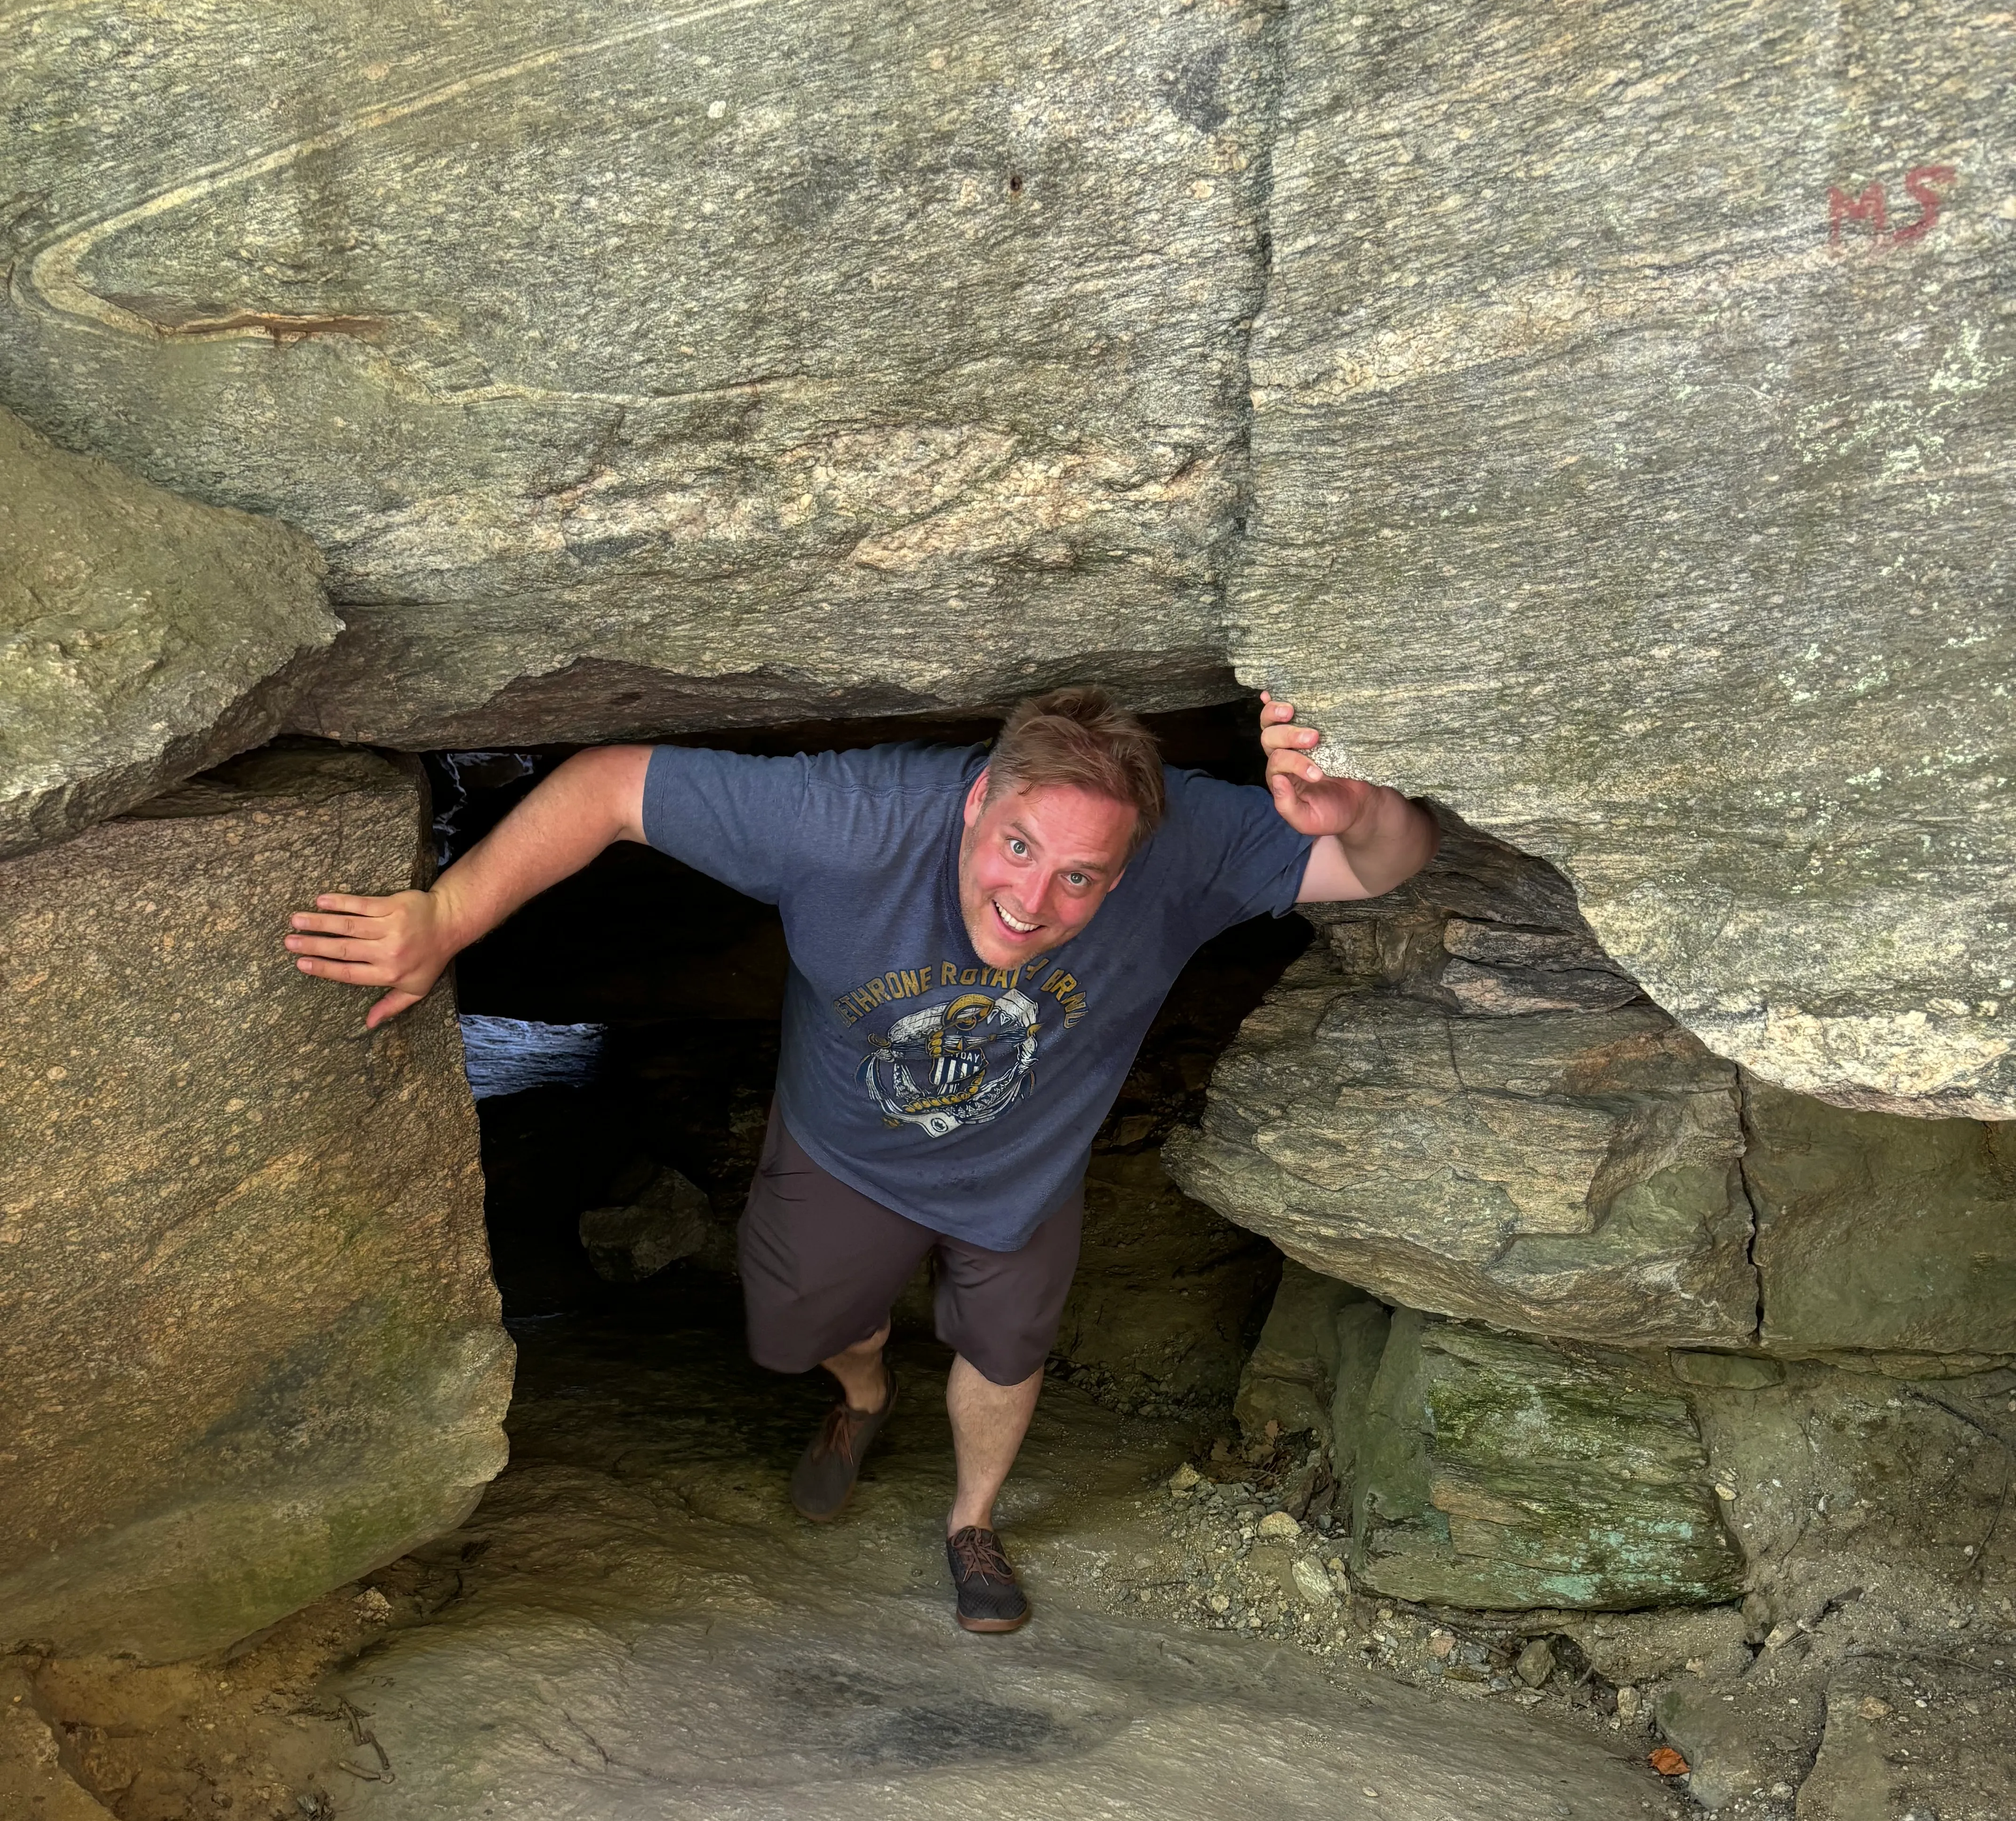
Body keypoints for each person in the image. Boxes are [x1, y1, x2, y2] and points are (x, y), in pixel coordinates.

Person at [283, 691, 1436, 1634]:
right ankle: (866, 1389)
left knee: (1006, 1343)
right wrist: (444, 917)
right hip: (844, 1151)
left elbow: (1386, 864)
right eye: (1018, 847)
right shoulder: (856, 817)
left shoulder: (1190, 843)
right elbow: (610, 785)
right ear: (976, 801)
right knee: (795, 1330)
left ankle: (971, 1523)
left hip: (1023, 1176)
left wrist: (1358, 807)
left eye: (1081, 876)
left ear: (1132, 860)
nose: (1033, 902)